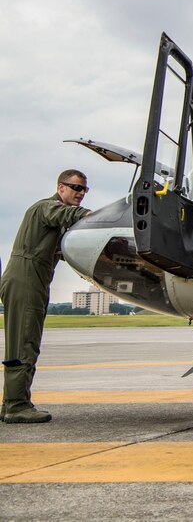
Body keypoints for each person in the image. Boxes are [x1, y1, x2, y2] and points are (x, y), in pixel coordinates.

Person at [1, 170, 92, 423]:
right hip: (26, 278)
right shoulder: (47, 207)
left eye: (85, 190)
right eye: (76, 188)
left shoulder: (52, 217)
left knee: (24, 339)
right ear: (60, 187)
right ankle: (17, 406)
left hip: (32, 279)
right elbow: (69, 214)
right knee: (25, 341)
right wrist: (100, 218)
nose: (80, 193)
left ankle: (11, 403)